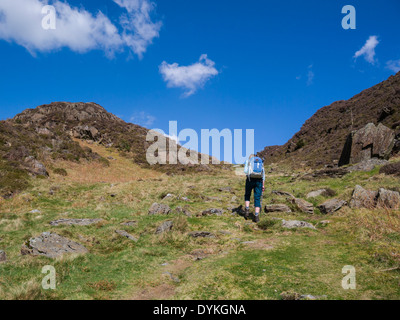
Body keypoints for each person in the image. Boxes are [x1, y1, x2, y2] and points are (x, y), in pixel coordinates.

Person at [243, 154, 265, 222]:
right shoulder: (260, 162)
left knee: (247, 194)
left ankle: (247, 210)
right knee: (257, 197)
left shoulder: (248, 161)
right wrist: (263, 185)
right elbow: (263, 175)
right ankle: (256, 216)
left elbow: (245, 171)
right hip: (259, 181)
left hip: (250, 180)